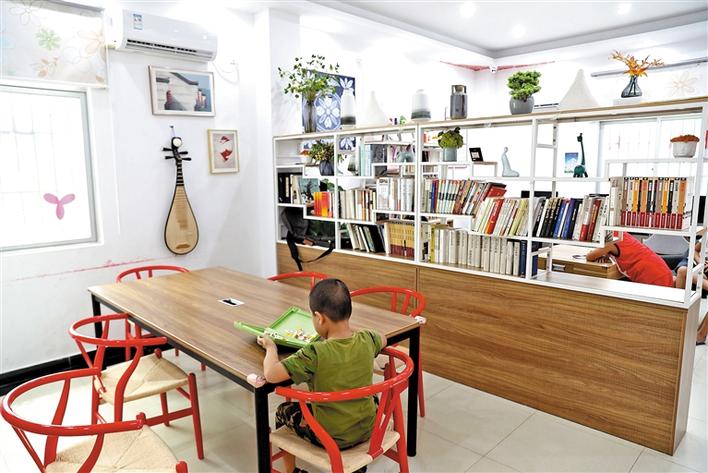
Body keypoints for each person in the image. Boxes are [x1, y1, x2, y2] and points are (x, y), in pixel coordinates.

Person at [257, 279, 386, 473]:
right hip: (368, 426)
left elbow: (271, 374)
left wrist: (271, 348)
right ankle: (358, 467)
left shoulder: (314, 353)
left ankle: (292, 471)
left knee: (282, 411)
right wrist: (348, 330)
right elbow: (383, 339)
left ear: (319, 318)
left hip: (331, 435)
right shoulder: (367, 339)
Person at [586, 232, 674, 287]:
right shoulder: (620, 234)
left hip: (654, 279)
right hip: (661, 272)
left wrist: (600, 252)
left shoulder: (612, 239)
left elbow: (590, 256)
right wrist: (605, 253)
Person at [674, 241, 708, 345]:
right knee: (682, 271)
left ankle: (701, 335)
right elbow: (694, 250)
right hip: (701, 267)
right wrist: (701, 262)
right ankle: (680, 320)